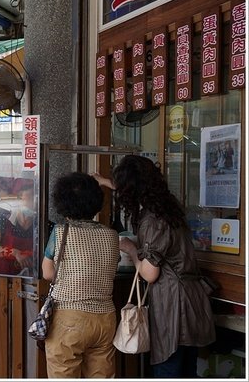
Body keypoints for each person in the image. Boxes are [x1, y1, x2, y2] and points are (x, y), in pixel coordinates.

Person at [94, 155, 216, 378]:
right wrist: (105, 182)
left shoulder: (153, 221)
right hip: (192, 302)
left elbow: (150, 274)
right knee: (187, 370)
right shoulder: (169, 207)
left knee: (168, 368)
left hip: (173, 305)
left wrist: (131, 249)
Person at [41, 172, 119, 378]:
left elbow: (47, 273)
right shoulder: (112, 235)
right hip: (105, 319)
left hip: (69, 317)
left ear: (62, 202)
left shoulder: (60, 232)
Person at [0, 181, 35, 276]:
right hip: (1, 275)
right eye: (31, 197)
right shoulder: (5, 220)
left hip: (28, 276)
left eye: (36, 198)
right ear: (19, 199)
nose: (34, 202)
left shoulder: (40, 225)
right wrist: (14, 253)